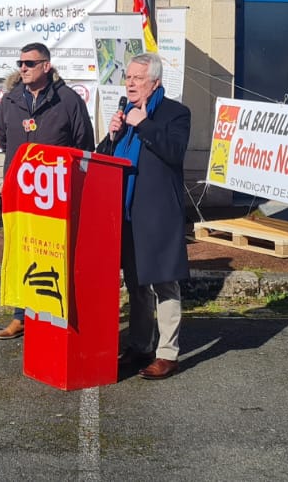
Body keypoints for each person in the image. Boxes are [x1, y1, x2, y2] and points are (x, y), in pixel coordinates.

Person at [0, 41, 95, 340]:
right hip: (20, 192)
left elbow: (83, 144)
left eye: (29, 63)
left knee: (53, 253)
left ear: (46, 66)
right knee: (20, 253)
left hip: (55, 193)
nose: (22, 68)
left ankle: (54, 315)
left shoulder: (68, 100)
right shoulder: (11, 99)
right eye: (20, 63)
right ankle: (20, 316)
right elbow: (3, 139)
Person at [100, 52, 190, 380]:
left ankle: (168, 353)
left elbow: (174, 152)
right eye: (128, 78)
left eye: (138, 78)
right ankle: (140, 345)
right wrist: (111, 137)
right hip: (125, 214)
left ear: (155, 82)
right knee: (136, 284)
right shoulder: (124, 114)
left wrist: (145, 125)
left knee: (164, 282)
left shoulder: (175, 113)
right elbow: (102, 159)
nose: (131, 83)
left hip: (157, 214)